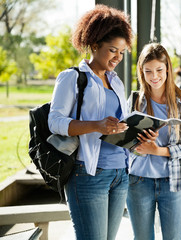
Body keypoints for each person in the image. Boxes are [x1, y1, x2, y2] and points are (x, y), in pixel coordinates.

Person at [47, 5, 132, 240]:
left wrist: (136, 133)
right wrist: (96, 125)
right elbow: (55, 121)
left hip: (120, 174)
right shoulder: (72, 78)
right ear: (95, 45)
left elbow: (118, 126)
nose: (118, 57)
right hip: (88, 174)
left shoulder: (116, 82)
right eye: (112, 50)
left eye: (122, 52)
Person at [126, 43, 181, 240]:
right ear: (141, 72)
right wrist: (139, 144)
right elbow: (124, 145)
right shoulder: (134, 101)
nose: (154, 76)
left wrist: (158, 150)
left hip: (172, 182)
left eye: (159, 69)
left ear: (168, 69)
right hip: (138, 181)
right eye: (148, 71)